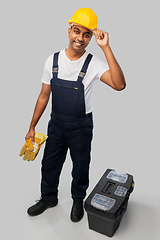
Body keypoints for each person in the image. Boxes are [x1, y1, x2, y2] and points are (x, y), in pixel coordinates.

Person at [25, 8, 126, 222]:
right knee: (49, 164)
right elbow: (43, 96)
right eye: (77, 31)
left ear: (91, 37)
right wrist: (32, 126)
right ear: (69, 30)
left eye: (86, 34)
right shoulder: (52, 61)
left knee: (80, 166)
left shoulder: (93, 64)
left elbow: (119, 85)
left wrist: (106, 47)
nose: (80, 38)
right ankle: (48, 198)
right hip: (57, 124)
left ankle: (78, 200)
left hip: (80, 127)